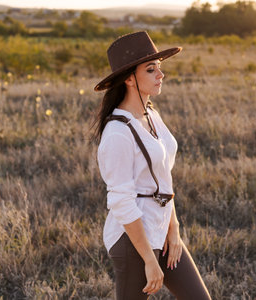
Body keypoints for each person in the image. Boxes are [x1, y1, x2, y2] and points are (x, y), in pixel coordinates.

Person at [92, 31, 211, 299]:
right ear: (128, 79)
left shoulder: (152, 116)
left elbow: (163, 177)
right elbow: (121, 201)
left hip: (162, 228)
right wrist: (148, 258)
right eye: (150, 69)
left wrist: (174, 229)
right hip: (133, 241)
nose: (160, 74)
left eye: (159, 67)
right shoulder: (117, 133)